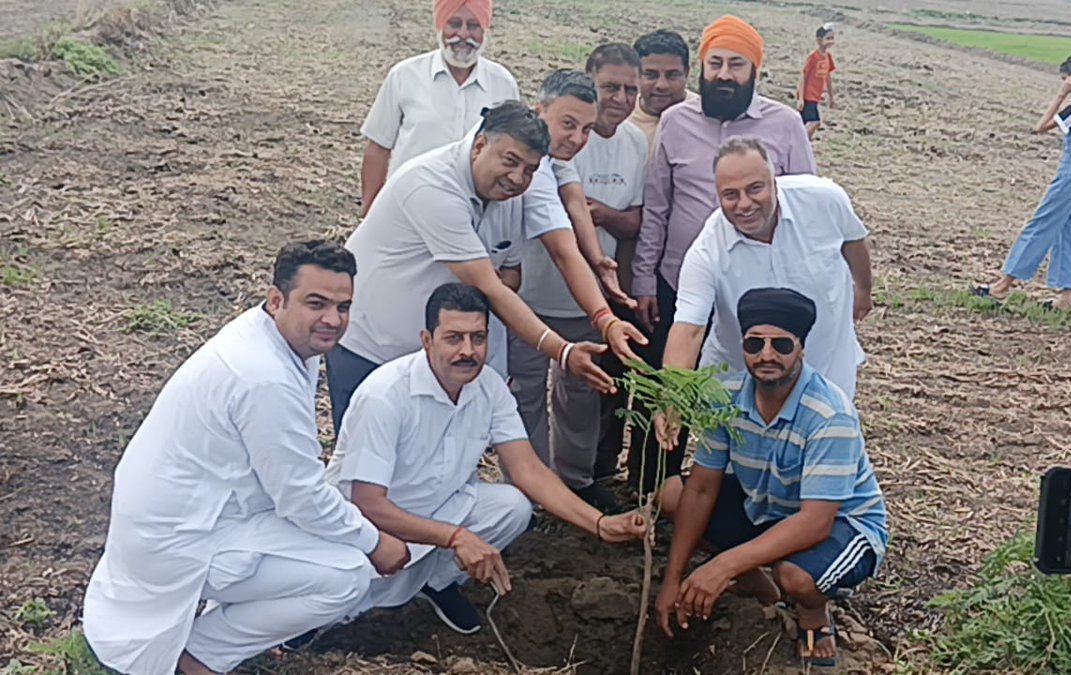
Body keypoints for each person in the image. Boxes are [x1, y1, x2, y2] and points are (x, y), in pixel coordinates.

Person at [81, 241, 410, 675]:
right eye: (317, 303)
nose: (333, 320)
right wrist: (375, 541)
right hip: (184, 534)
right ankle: (199, 657)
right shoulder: (264, 376)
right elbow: (301, 497)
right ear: (277, 299)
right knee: (347, 574)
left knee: (335, 545)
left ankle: (204, 643)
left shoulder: (275, 336)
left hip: (196, 513)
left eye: (343, 306)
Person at [327, 283, 647, 634]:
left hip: (440, 509)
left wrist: (600, 524)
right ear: (426, 339)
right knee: (342, 603)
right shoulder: (385, 395)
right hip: (372, 528)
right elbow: (368, 503)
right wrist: (455, 537)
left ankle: (435, 582)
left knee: (512, 506)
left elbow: (528, 471)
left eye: (478, 338)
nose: (468, 351)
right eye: (454, 338)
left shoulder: (489, 387)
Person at [328, 100, 643, 434]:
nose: (518, 178)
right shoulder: (431, 186)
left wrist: (605, 320)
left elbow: (513, 275)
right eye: (510, 161)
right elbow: (491, 287)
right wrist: (562, 352)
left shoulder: (511, 193)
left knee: (428, 470)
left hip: (437, 361)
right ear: (479, 145)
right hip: (373, 351)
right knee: (366, 473)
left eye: (530, 170)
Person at [630, 15, 817, 491]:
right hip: (677, 284)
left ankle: (739, 496)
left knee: (749, 393)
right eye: (716, 63)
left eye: (737, 64)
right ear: (703, 67)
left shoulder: (785, 125)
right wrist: (645, 282)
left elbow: (807, 208)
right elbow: (657, 208)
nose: (724, 74)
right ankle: (651, 495)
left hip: (756, 294)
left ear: (755, 70)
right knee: (666, 391)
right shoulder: (675, 122)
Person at [655, 288, 887, 668]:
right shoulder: (725, 397)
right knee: (672, 495)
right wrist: (673, 578)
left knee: (795, 576)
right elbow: (700, 487)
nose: (766, 355)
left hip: (843, 524)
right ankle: (761, 585)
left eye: (781, 344)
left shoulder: (830, 415)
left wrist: (721, 566)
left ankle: (812, 613)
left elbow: (815, 522)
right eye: (754, 343)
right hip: (768, 508)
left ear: (801, 348)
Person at [659, 136, 871, 436]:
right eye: (730, 195)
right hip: (741, 386)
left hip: (826, 368)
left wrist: (863, 289)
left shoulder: (824, 199)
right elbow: (689, 329)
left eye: (755, 188)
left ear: (774, 180)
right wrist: (674, 396)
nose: (744, 204)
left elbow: (853, 239)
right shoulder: (707, 250)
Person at [512, 46, 647, 509]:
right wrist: (595, 269)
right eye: (567, 124)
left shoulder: (592, 152)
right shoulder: (525, 156)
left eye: (584, 129)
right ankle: (529, 488)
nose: (575, 136)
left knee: (581, 393)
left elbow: (575, 206)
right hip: (529, 296)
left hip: (588, 300)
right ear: (541, 111)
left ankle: (574, 480)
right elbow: (562, 241)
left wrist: (602, 263)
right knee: (524, 394)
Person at [359, 0, 519, 216]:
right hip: (409, 208)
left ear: (485, 30)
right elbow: (378, 149)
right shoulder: (404, 75)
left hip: (476, 214)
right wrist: (370, 214)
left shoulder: (503, 83)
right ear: (439, 25)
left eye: (473, 26)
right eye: (454, 23)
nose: (463, 35)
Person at [972, 54, 1071, 311]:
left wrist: (1062, 94)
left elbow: (1041, 126)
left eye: (1066, 76)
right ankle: (1065, 298)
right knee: (1069, 232)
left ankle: (1002, 286)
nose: (1064, 80)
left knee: (1041, 224)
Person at [627, 29, 698, 154]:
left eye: (672, 75)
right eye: (651, 75)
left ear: (686, 73)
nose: (661, 85)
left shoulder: (704, 117)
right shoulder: (622, 120)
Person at [796, 23, 837, 142]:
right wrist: (801, 98)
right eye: (827, 38)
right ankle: (803, 143)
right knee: (815, 122)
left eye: (832, 38)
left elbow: (828, 76)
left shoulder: (827, 57)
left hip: (816, 96)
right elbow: (803, 75)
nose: (830, 41)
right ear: (819, 40)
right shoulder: (813, 57)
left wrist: (831, 96)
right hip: (808, 96)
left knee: (800, 123)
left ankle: (797, 143)